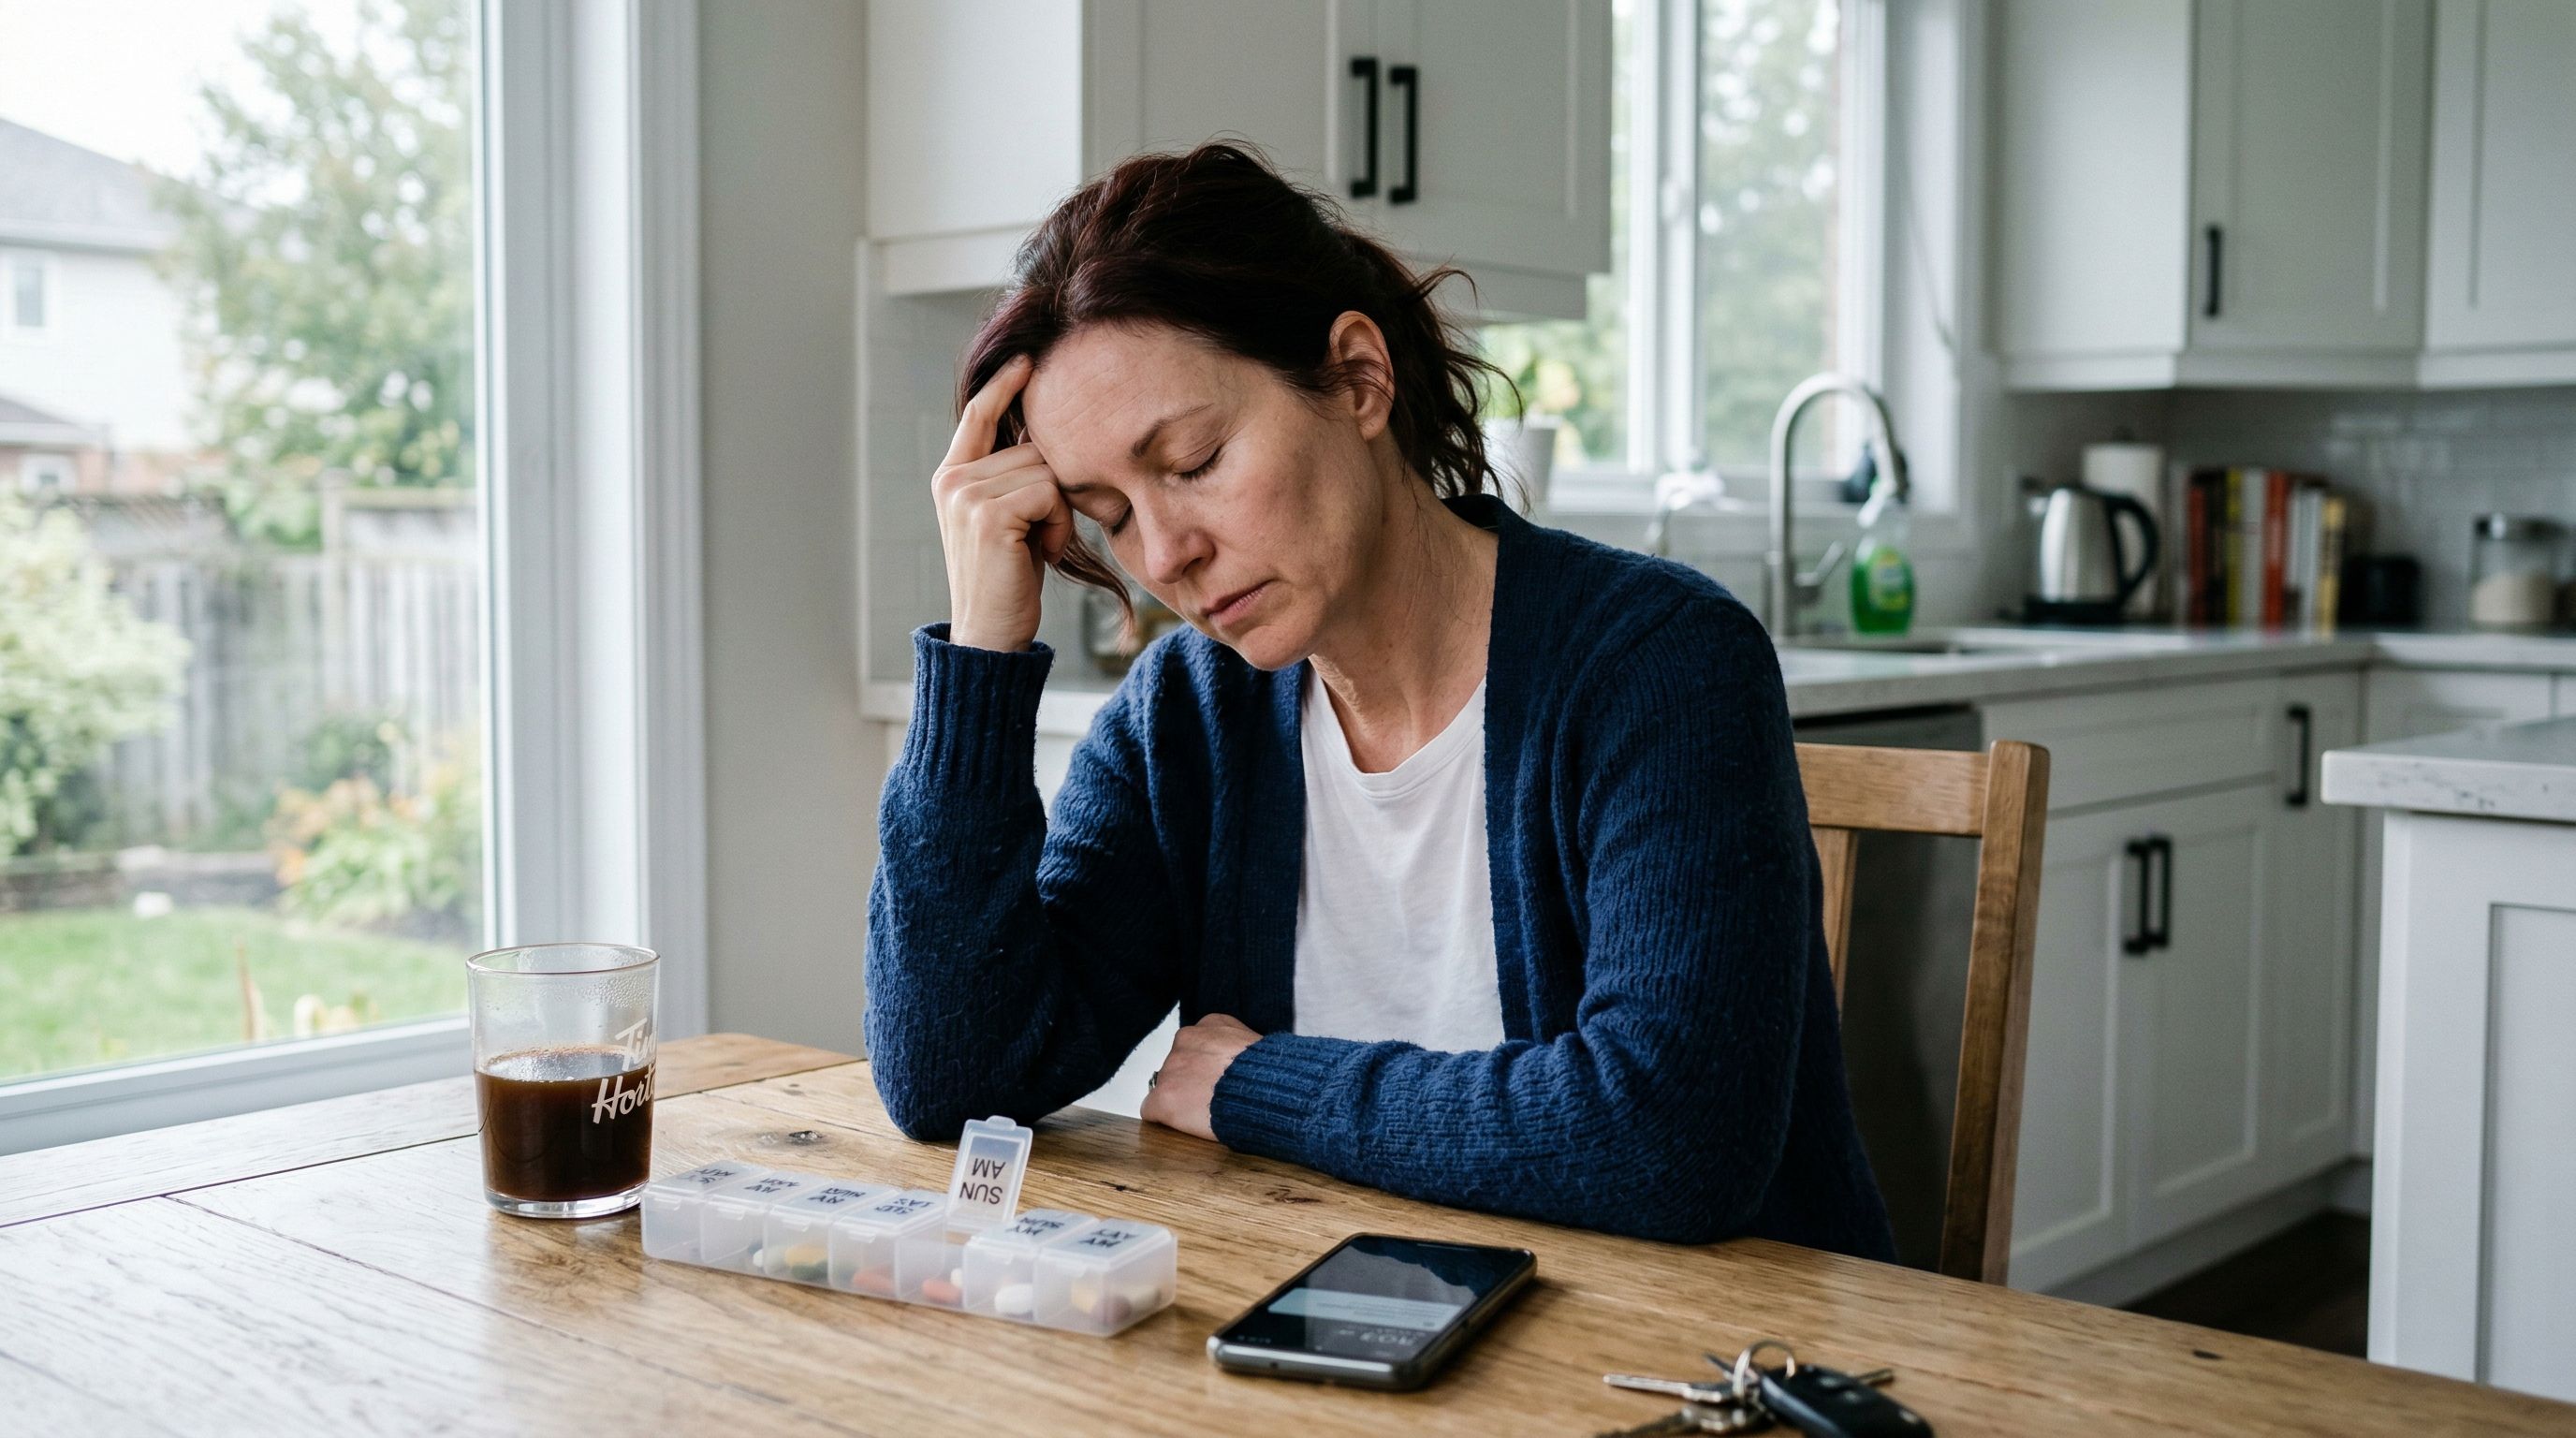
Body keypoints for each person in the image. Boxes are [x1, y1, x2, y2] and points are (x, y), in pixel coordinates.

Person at [866, 142, 1893, 1255]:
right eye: (1108, 510)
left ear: (1359, 378)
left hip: (1714, 1366)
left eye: (1196, 459)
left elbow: (1666, 1142)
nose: (1165, 553)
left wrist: (1262, 1085)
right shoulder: (1189, 720)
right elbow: (953, 1075)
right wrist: (980, 652)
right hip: (1346, 1329)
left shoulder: (1658, 664)